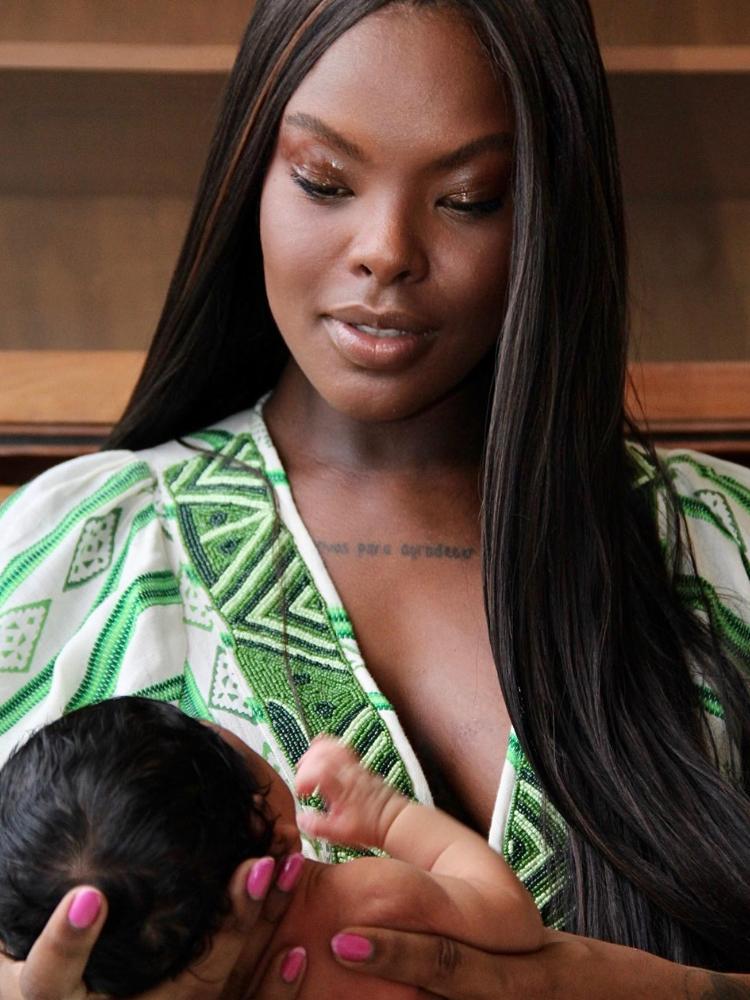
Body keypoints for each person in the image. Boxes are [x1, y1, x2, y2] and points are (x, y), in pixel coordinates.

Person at [0, 0, 748, 996]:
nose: (385, 250)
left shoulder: (720, 550)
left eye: (472, 197)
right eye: (323, 181)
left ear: (549, 209)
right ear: (250, 181)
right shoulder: (73, 552)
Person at [0, 697, 542, 997]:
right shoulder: (374, 906)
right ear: (280, 842)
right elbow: (512, 918)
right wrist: (388, 815)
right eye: (207, 730)